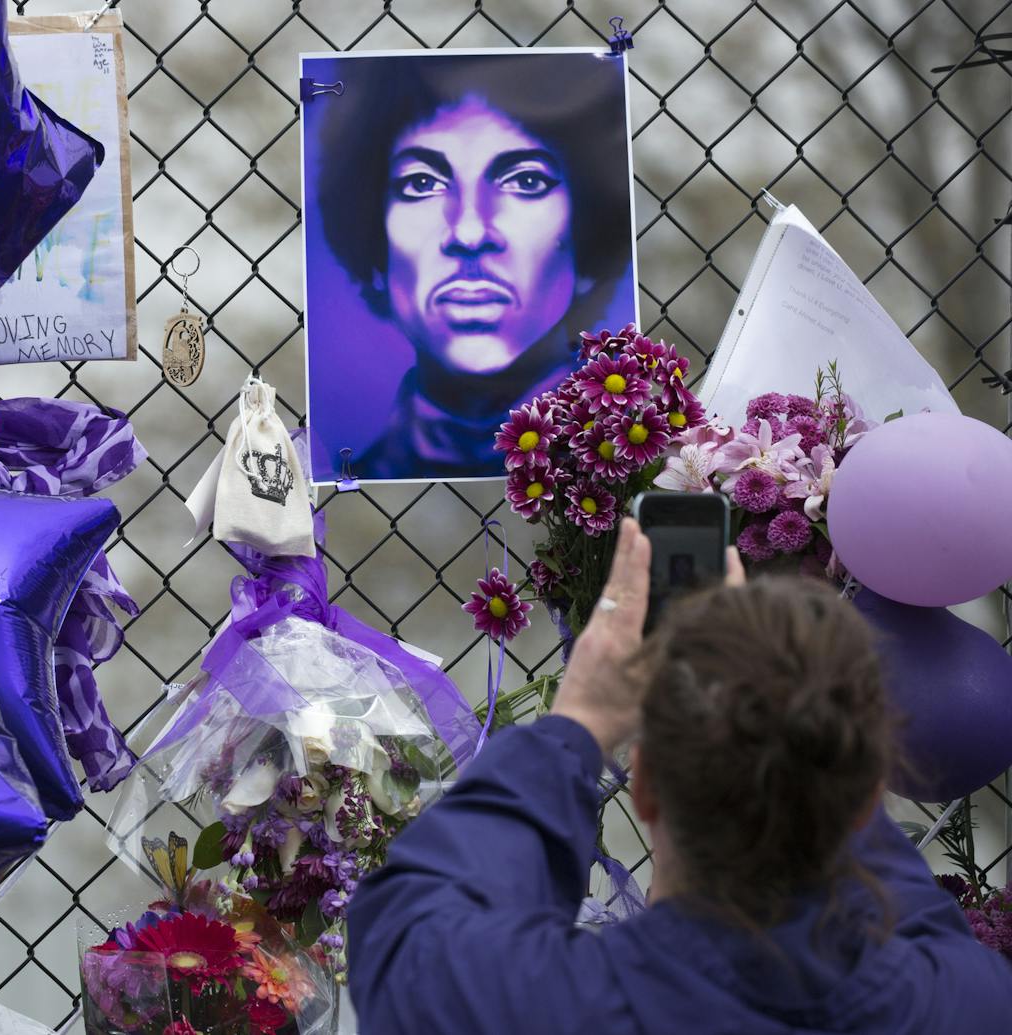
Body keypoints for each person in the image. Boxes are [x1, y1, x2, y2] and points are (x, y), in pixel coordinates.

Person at [348, 520, 1012, 1033]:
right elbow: (913, 909)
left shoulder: (548, 1006)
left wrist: (580, 720)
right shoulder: (966, 1005)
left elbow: (405, 928)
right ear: (870, 794)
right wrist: (788, 707)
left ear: (644, 787)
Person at [314, 53, 635, 480]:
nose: (468, 233)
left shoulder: (639, 467)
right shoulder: (350, 475)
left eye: (526, 181)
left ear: (588, 233)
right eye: (421, 183)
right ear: (373, 242)